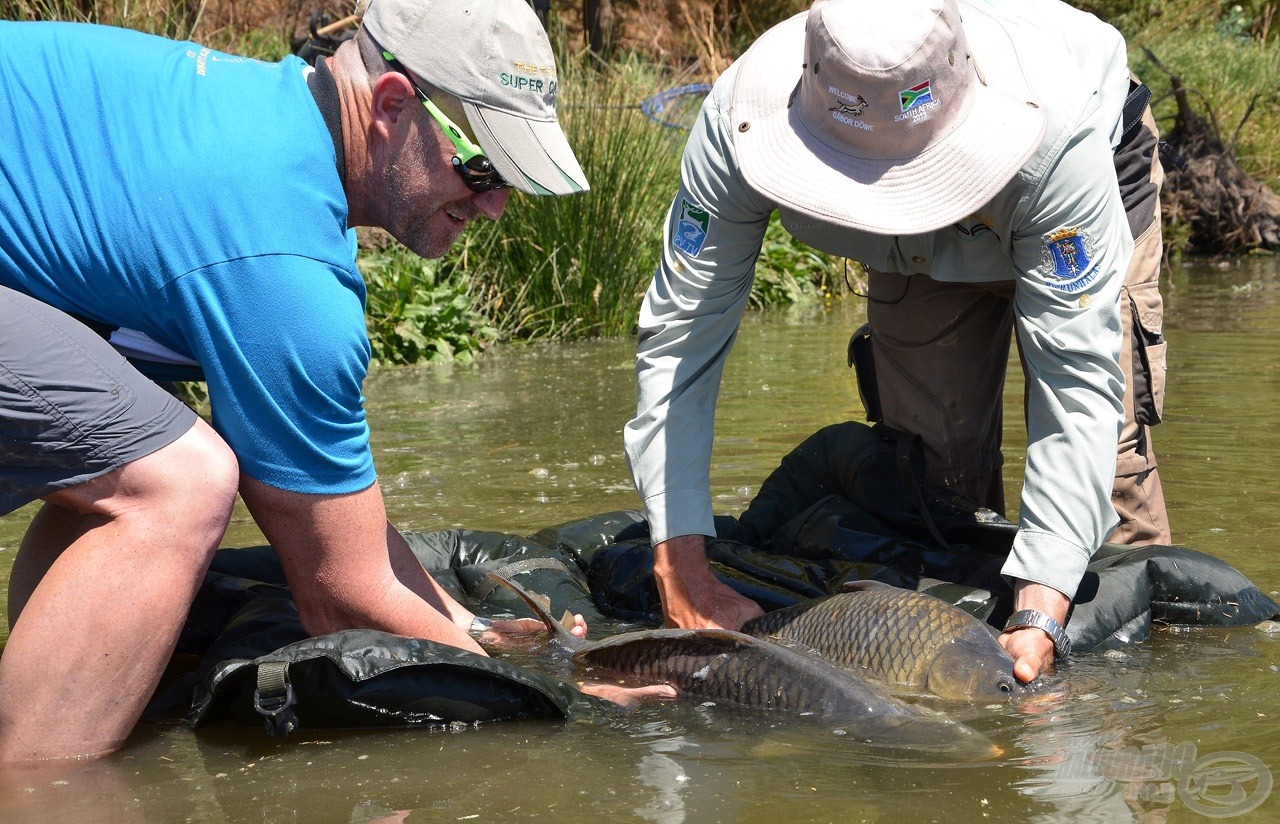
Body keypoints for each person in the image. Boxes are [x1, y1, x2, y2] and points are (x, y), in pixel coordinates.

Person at [0, 0, 597, 762]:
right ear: (391, 106)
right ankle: (39, 796)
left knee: (137, 439)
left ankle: (57, 700)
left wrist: (473, 629)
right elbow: (338, 588)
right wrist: (567, 696)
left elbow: (332, 523)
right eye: (482, 167)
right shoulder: (283, 272)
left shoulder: (268, 120)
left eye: (513, 177)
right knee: (177, 483)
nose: (496, 203)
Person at [624, 0, 1170, 685]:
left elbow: (1075, 385)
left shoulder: (1059, 135)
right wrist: (680, 563)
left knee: (1108, 475)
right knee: (928, 481)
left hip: (1064, 177)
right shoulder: (739, 118)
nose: (888, 193)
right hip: (910, 253)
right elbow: (681, 337)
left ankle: (1129, 720)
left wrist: (1043, 607)